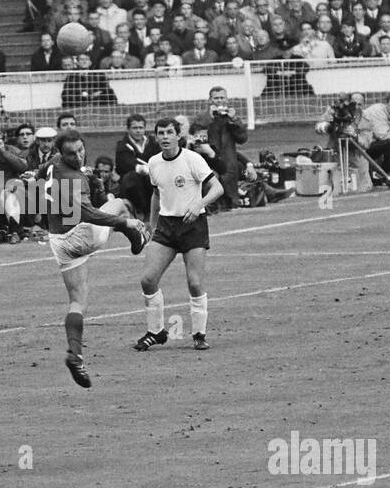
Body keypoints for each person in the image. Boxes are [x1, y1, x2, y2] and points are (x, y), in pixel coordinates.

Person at [38, 129, 149, 387]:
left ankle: (75, 354)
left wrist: (32, 175)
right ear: (61, 154)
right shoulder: (74, 179)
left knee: (78, 302)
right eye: (71, 153)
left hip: (59, 242)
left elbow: (42, 171)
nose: (78, 156)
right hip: (82, 234)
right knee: (121, 204)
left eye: (80, 150)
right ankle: (135, 238)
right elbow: (88, 213)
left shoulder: (53, 163)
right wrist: (126, 222)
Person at [134, 118, 224, 353]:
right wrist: (151, 225)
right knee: (148, 279)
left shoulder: (192, 159)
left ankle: (199, 334)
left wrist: (198, 205)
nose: (164, 137)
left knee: (194, 283)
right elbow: (156, 194)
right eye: (160, 133)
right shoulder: (154, 162)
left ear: (178, 135)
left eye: (169, 132)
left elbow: (218, 188)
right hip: (166, 226)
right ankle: (156, 331)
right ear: (156, 137)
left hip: (193, 226)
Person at [198, 86, 248, 210]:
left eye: (222, 98)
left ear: (227, 100)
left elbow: (242, 139)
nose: (219, 100)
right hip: (210, 160)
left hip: (229, 161)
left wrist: (234, 120)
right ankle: (213, 205)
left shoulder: (230, 117)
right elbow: (197, 133)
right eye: (216, 98)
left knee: (249, 174)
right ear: (210, 100)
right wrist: (210, 117)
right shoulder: (202, 116)